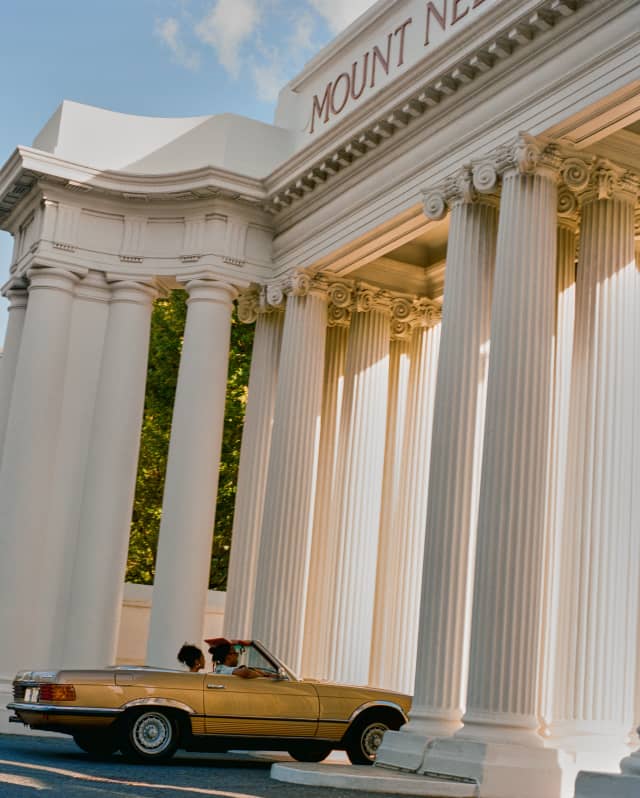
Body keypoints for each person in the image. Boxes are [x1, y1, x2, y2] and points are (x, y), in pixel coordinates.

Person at [205, 637, 277, 679]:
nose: (237, 655)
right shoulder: (223, 669)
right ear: (228, 657)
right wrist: (265, 675)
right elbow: (246, 672)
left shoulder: (220, 669)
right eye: (235, 653)